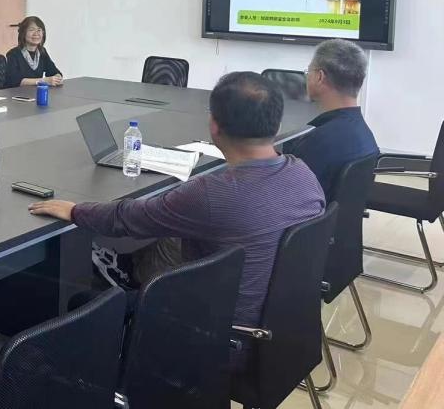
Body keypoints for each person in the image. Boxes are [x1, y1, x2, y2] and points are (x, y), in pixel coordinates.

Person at [28, 71, 325, 367]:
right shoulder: (304, 175)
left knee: (83, 305)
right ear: (276, 124)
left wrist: (75, 211)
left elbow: (129, 218)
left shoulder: (211, 194)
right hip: (281, 333)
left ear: (214, 125)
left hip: (219, 340)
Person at [281, 39, 380, 193]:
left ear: (320, 77)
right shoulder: (364, 133)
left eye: (308, 72)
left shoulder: (316, 142)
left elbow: (282, 193)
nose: (307, 77)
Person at [4, 16, 63, 89]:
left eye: (39, 30)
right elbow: (14, 81)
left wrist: (58, 78)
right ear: (23, 33)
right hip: (16, 94)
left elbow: (53, 71)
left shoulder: (42, 52)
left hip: (35, 92)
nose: (36, 34)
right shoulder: (14, 54)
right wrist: (43, 81)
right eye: (31, 30)